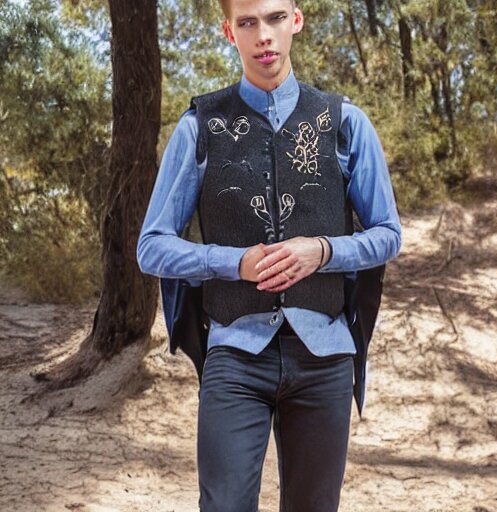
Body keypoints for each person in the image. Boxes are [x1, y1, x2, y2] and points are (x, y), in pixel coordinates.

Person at [137, 0, 401, 510]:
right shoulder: (199, 128)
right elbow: (152, 246)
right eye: (248, 22)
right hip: (235, 354)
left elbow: (388, 233)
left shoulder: (345, 122)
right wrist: (230, 262)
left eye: (276, 18)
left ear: (296, 21)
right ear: (228, 32)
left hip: (324, 354)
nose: (264, 35)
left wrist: (322, 250)